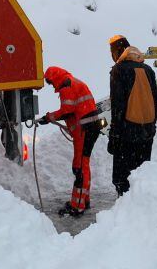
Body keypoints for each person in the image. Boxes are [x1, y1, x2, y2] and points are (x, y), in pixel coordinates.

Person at [37, 66, 106, 217]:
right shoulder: (73, 82)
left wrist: (48, 118)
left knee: (79, 168)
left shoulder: (66, 86)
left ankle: (77, 207)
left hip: (85, 129)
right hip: (90, 127)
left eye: (50, 82)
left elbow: (67, 110)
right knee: (84, 164)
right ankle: (83, 200)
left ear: (55, 77)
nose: (51, 85)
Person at [107, 35, 157, 195]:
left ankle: (125, 212)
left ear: (117, 51)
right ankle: (141, 209)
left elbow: (118, 105)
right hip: (147, 132)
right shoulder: (148, 70)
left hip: (126, 134)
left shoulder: (119, 70)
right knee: (141, 175)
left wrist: (114, 133)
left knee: (123, 178)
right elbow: (155, 100)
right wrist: (151, 125)